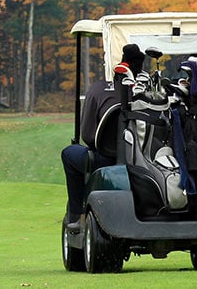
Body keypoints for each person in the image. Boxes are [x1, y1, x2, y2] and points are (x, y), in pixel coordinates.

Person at [60, 44, 145, 228]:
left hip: (104, 158)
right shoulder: (149, 94)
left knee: (69, 154)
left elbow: (87, 135)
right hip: (142, 160)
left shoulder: (99, 89)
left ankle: (77, 215)